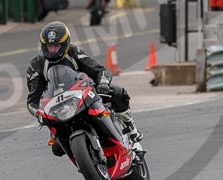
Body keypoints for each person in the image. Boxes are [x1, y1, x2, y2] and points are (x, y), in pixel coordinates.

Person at [26, 21, 142, 155]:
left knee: (117, 92)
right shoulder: (36, 65)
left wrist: (103, 83)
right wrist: (39, 114)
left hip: (82, 96)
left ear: (65, 44)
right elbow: (32, 101)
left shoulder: (74, 52)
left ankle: (130, 128)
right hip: (58, 109)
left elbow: (99, 70)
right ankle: (87, 162)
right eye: (49, 46)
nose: (52, 50)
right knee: (57, 149)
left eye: (56, 46)